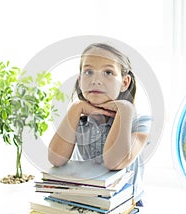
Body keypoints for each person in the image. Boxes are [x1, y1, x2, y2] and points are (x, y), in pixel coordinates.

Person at [48, 43, 152, 207]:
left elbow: (114, 162)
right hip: (87, 201)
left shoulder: (141, 123)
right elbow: (56, 159)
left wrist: (125, 109)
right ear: (80, 80)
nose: (96, 80)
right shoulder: (78, 120)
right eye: (88, 72)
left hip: (125, 205)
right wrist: (76, 108)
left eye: (108, 72)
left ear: (125, 82)